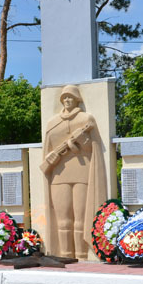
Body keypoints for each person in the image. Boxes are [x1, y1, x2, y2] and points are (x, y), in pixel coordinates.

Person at [41, 85, 107, 259]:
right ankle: (65, 253)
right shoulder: (52, 123)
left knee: (80, 217)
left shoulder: (86, 119)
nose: (67, 100)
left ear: (77, 99)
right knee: (63, 218)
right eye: (64, 98)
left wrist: (80, 143)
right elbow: (47, 152)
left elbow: (94, 149)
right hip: (59, 175)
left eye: (71, 97)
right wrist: (58, 154)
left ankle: (81, 254)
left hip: (82, 173)